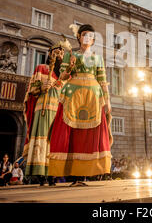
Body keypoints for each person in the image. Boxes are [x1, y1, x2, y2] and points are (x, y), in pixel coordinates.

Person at [48, 24, 113, 186]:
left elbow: (103, 81)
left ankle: (83, 175)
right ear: (79, 37)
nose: (87, 38)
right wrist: (69, 67)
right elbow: (62, 77)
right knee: (73, 135)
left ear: (93, 40)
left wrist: (108, 101)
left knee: (89, 137)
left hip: (93, 97)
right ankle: (74, 176)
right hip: (73, 96)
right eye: (84, 35)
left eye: (91, 36)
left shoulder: (98, 58)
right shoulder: (71, 54)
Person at [22, 40, 67, 186]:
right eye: (56, 53)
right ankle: (41, 175)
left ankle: (53, 174)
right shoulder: (41, 68)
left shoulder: (64, 76)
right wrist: (42, 87)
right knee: (42, 140)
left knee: (55, 142)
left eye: (61, 54)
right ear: (50, 54)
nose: (58, 55)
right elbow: (31, 90)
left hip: (58, 111)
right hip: (43, 108)